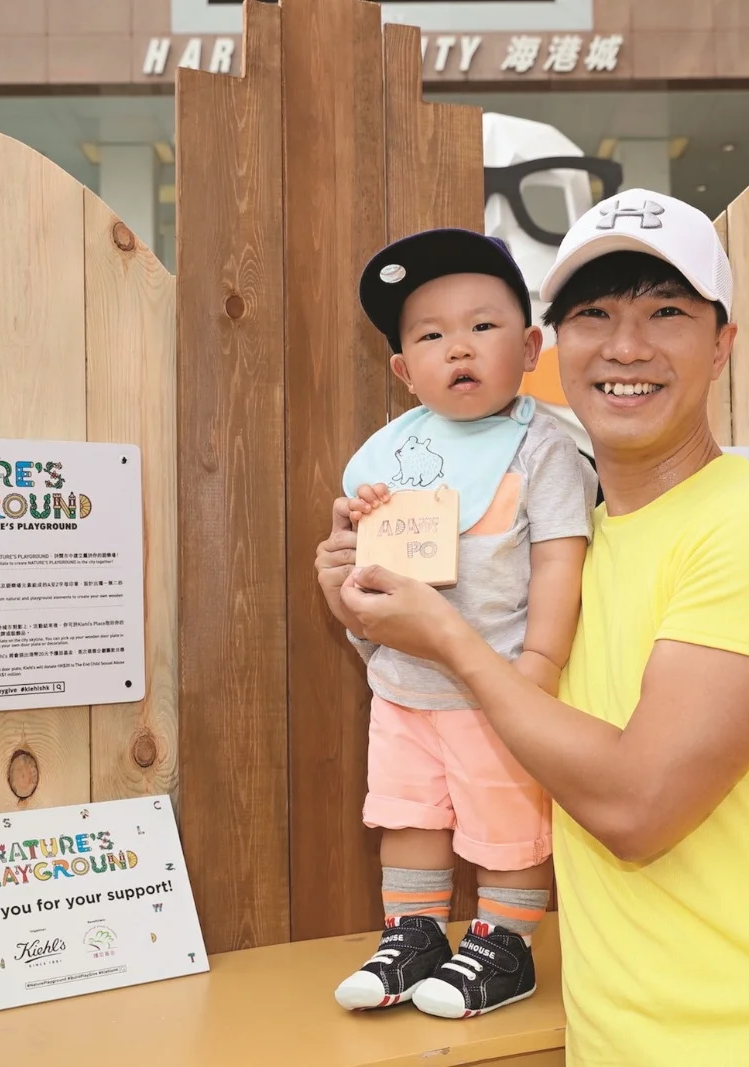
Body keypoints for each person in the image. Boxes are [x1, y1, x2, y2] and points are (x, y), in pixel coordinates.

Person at [320, 190, 749, 1065]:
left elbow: (639, 807)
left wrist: (449, 639)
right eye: (594, 314)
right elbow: (452, 686)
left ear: (723, 344)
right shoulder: (562, 551)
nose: (627, 346)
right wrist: (362, 605)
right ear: (556, 348)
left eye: (666, 312)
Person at [316, 228, 598, 1019]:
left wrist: (539, 664)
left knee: (505, 816)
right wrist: (347, 568)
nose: (459, 347)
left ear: (530, 347)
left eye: (483, 325)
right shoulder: (388, 458)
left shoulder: (543, 449)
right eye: (431, 336)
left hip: (498, 682)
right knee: (407, 812)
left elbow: (560, 559)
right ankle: (413, 934)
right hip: (402, 685)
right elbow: (364, 578)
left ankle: (506, 944)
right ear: (404, 370)